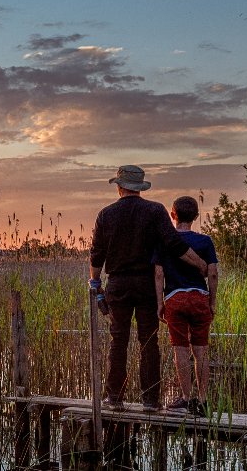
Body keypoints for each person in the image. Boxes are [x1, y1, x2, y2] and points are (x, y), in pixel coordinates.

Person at [89, 165, 206, 412]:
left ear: (119, 187)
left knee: (118, 341)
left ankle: (115, 398)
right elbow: (173, 244)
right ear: (139, 188)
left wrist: (96, 285)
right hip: (146, 285)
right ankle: (150, 401)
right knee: (148, 342)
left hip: (118, 284)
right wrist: (200, 264)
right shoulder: (155, 211)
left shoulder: (105, 215)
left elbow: (96, 255)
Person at [154, 196, 219, 417]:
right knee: (200, 350)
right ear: (196, 217)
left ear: (173, 214)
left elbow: (159, 273)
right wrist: (212, 301)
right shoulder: (205, 241)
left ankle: (186, 398)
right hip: (199, 298)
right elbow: (212, 273)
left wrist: (159, 303)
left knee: (180, 350)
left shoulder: (164, 241)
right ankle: (202, 401)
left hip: (175, 298)